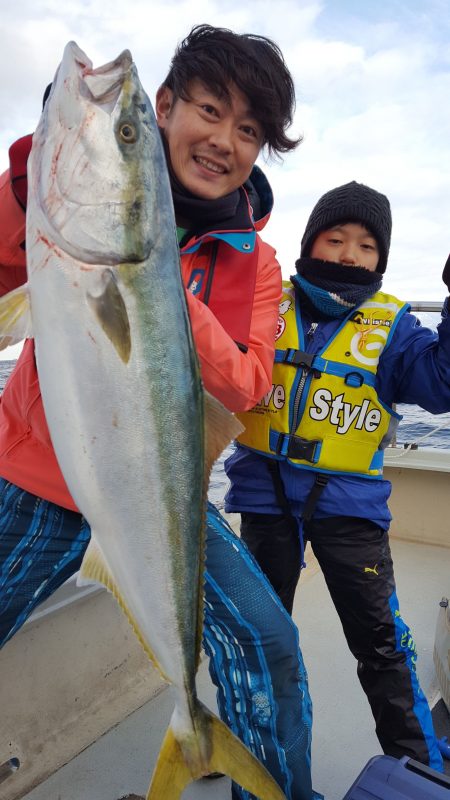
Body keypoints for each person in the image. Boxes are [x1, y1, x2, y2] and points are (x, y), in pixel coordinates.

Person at [0, 25, 322, 800]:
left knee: (268, 640)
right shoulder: (52, 211)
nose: (224, 141)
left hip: (158, 493)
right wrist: (33, 173)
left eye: (249, 131)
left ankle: (263, 780)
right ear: (169, 107)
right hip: (35, 478)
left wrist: (156, 293)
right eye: (210, 110)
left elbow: (245, 387)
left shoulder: (258, 262)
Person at [224, 179, 450, 774]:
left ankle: (416, 761)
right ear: (309, 241)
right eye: (336, 237)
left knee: (379, 640)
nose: (350, 255)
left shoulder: (393, 328)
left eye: (367, 246)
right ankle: (241, 742)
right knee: (258, 634)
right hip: (264, 501)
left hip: (351, 510)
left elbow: (441, 383)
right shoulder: (263, 300)